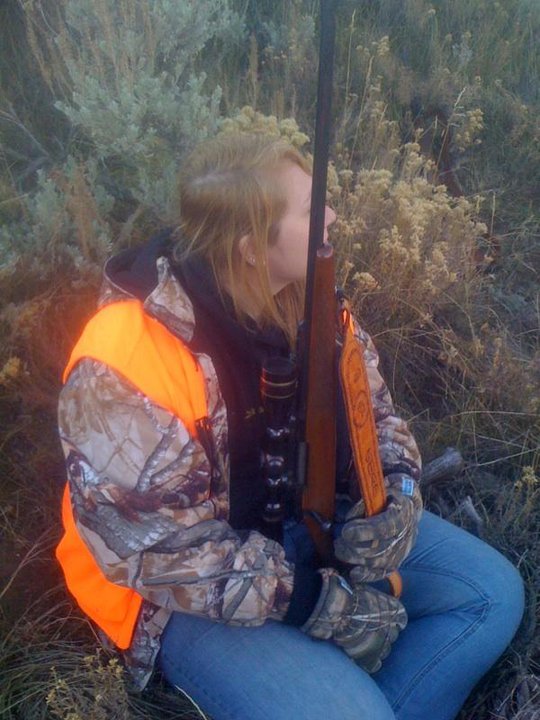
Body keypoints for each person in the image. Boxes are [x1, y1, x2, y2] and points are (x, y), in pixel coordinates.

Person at [56, 132, 524, 720]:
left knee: (492, 597)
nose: (332, 213)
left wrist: (398, 494)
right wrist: (314, 602)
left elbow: (374, 411)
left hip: (307, 526)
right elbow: (158, 551)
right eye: (310, 208)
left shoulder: (313, 296)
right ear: (252, 247)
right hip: (175, 594)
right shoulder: (124, 360)